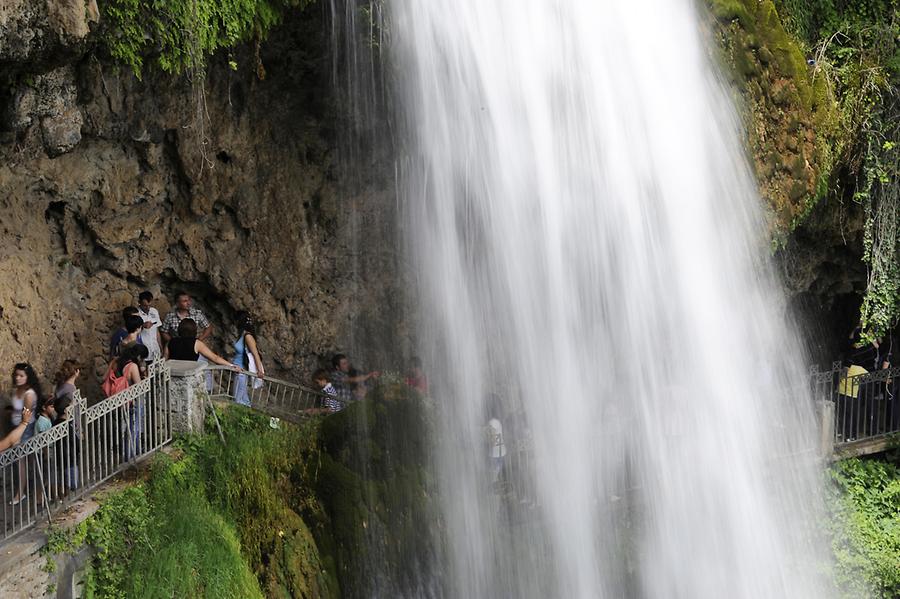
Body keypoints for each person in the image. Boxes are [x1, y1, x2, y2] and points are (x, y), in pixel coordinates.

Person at [9, 363, 43, 505]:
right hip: (17, 428)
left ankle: (32, 493)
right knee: (22, 462)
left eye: (21, 376)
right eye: (16, 375)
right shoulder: (17, 391)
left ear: (28, 377)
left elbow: (26, 417)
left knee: (27, 462)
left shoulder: (29, 395)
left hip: (26, 430)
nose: (18, 378)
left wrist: (18, 434)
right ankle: (23, 492)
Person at [165, 319, 236, 368]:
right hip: (190, 374)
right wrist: (231, 365)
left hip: (173, 374)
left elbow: (165, 360)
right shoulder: (197, 343)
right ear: (194, 330)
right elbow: (214, 358)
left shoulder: (170, 342)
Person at [232, 311, 265, 407]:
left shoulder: (248, 336)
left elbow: (255, 354)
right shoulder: (242, 335)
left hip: (242, 371)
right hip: (237, 370)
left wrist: (259, 371)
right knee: (241, 398)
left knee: (238, 400)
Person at [137, 291, 163, 363]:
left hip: (155, 349)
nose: (148, 308)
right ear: (139, 302)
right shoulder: (136, 313)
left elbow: (157, 330)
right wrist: (142, 326)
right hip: (143, 349)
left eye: (149, 305)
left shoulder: (154, 311)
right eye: (145, 306)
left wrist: (160, 346)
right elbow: (132, 331)